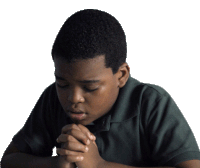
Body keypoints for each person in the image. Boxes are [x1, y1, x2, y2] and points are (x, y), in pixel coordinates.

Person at [1, 9, 200, 168]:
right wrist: (54, 164)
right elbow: (9, 161)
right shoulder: (52, 99)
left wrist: (98, 165)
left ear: (121, 76)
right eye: (63, 84)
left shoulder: (151, 103)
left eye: (90, 88)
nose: (73, 98)